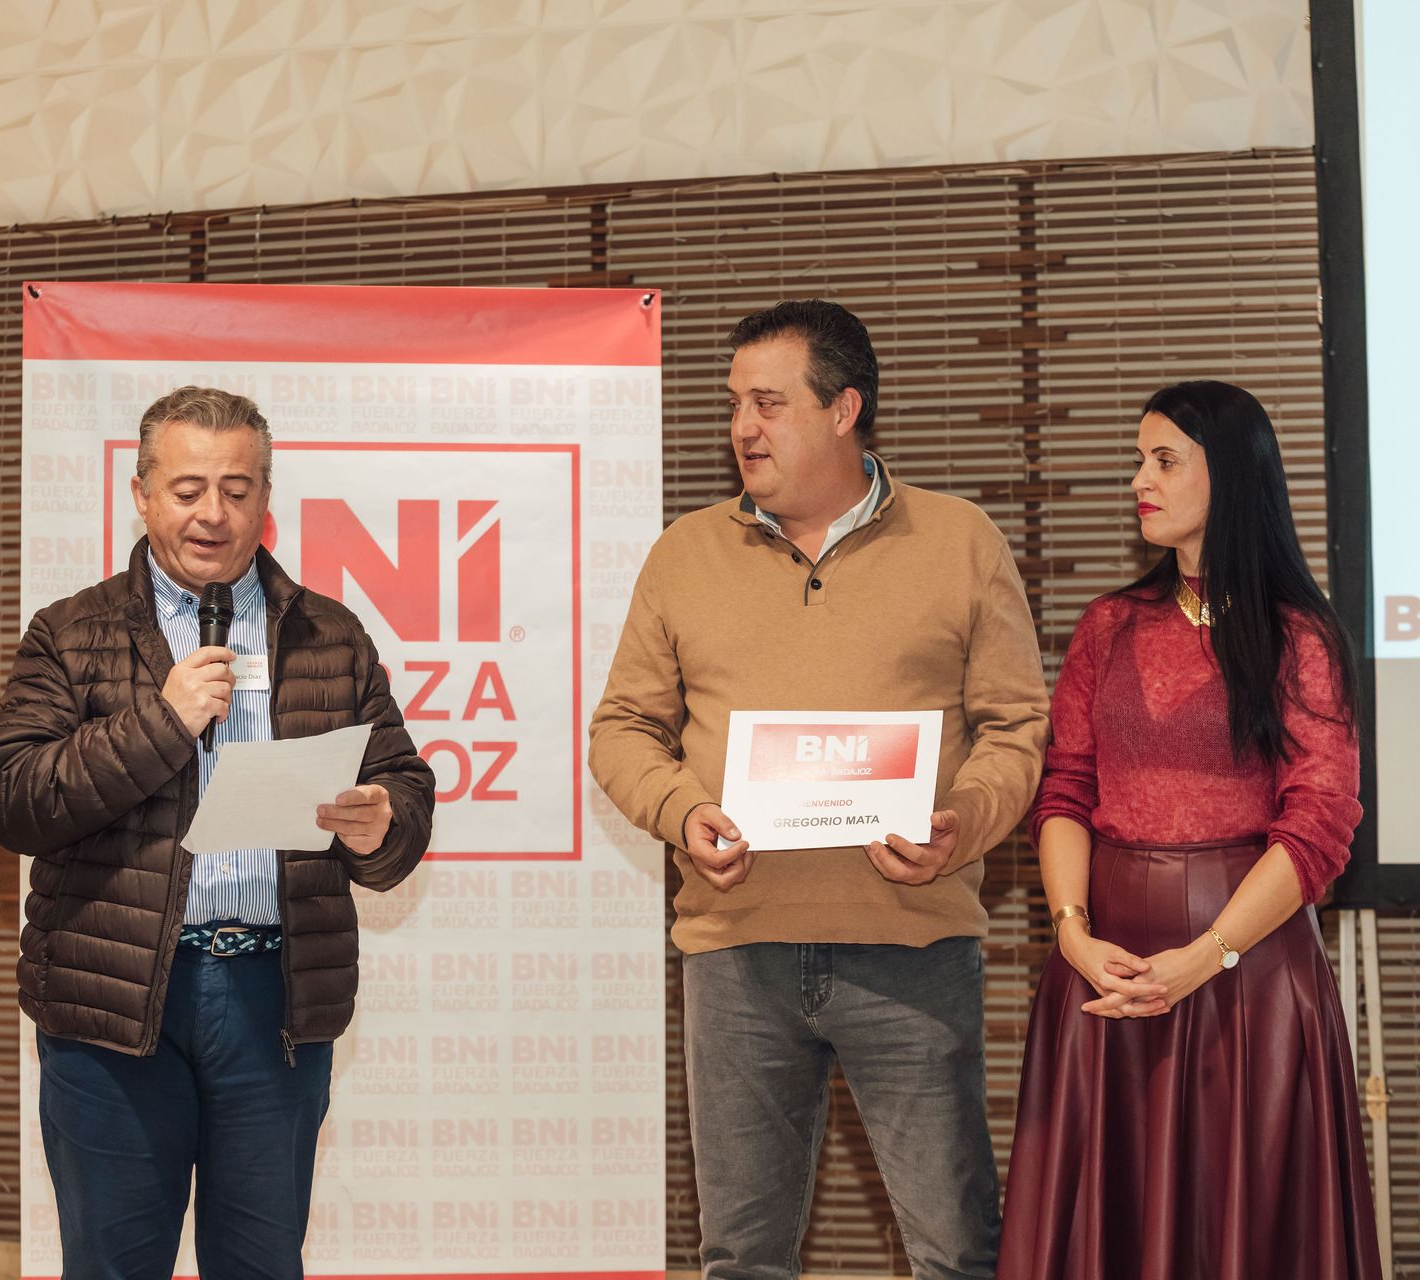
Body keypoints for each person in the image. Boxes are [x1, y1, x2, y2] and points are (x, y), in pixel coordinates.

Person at [589, 299, 1050, 1280]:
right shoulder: (685, 554)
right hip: (736, 957)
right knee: (742, 1257)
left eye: (768, 403)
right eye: (734, 405)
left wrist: (961, 823)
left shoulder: (960, 541)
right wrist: (682, 811)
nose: (742, 428)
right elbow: (622, 728)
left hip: (914, 948)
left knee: (955, 1251)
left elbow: (1016, 727)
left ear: (844, 410)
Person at [0, 385, 434, 1279]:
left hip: (274, 1000)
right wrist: (162, 722)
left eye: (237, 489)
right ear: (142, 494)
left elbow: (403, 791)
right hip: (113, 1003)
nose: (212, 514)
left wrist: (381, 823)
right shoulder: (71, 633)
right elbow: (12, 800)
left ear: (266, 499)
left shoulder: (331, 634)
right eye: (188, 490)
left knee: (262, 1265)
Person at [996, 381, 1381, 1279]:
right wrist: (1072, 935)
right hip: (1106, 973)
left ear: (1232, 476)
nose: (1141, 479)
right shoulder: (1108, 626)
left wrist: (1207, 957)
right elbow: (1064, 792)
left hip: (1249, 980)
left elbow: (1320, 824)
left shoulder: (1300, 637)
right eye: (1140, 459)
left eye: (1164, 460)